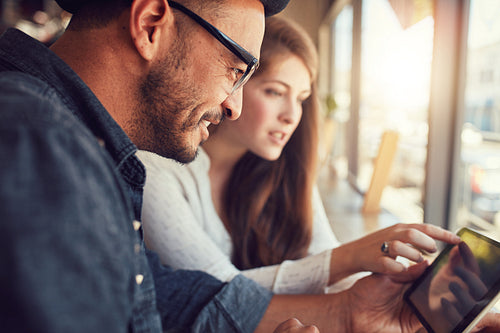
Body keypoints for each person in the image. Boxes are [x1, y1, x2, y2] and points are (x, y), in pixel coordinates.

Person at [1, 1, 499, 333]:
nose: (234, 106)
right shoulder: (42, 150)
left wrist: (349, 312)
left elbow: (161, 295)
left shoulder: (81, 147)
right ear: (150, 24)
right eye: (236, 70)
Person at [138, 16, 459, 294]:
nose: (292, 115)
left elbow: (325, 255)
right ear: (233, 83)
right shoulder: (156, 171)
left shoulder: (283, 172)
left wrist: (402, 291)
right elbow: (220, 290)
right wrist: (347, 258)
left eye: (301, 98)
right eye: (275, 92)